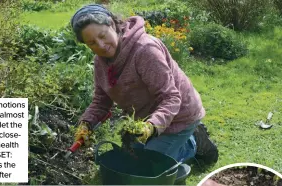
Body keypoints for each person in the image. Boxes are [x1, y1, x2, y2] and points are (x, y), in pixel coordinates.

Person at [71, 4, 218, 166]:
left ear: (112, 24)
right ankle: (176, 142)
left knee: (148, 167)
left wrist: (151, 127)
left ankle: (193, 145)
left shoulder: (144, 50)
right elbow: (101, 101)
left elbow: (171, 97)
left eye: (103, 35)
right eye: (92, 43)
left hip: (179, 115)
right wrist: (86, 124)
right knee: (132, 160)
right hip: (146, 120)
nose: (101, 45)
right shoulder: (100, 63)